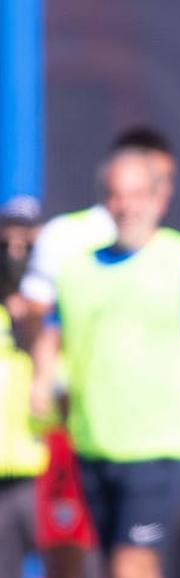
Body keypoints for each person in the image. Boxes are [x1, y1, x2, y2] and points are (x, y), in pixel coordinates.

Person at [47, 149, 180, 578]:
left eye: (135, 194)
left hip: (159, 443)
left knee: (134, 561)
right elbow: (53, 340)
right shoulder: (76, 267)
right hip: (91, 441)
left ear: (158, 198)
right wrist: (46, 383)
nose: (126, 206)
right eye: (115, 195)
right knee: (105, 561)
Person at [24, 127, 176, 578]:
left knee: (131, 556)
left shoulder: (168, 249)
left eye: (164, 183)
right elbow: (37, 314)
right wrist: (49, 379)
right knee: (70, 551)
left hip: (142, 432)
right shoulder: (68, 238)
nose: (160, 192)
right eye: (155, 179)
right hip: (70, 427)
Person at [0, 196, 47, 573]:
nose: (16, 254)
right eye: (6, 245)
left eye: (27, 246)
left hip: (53, 472)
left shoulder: (59, 308)